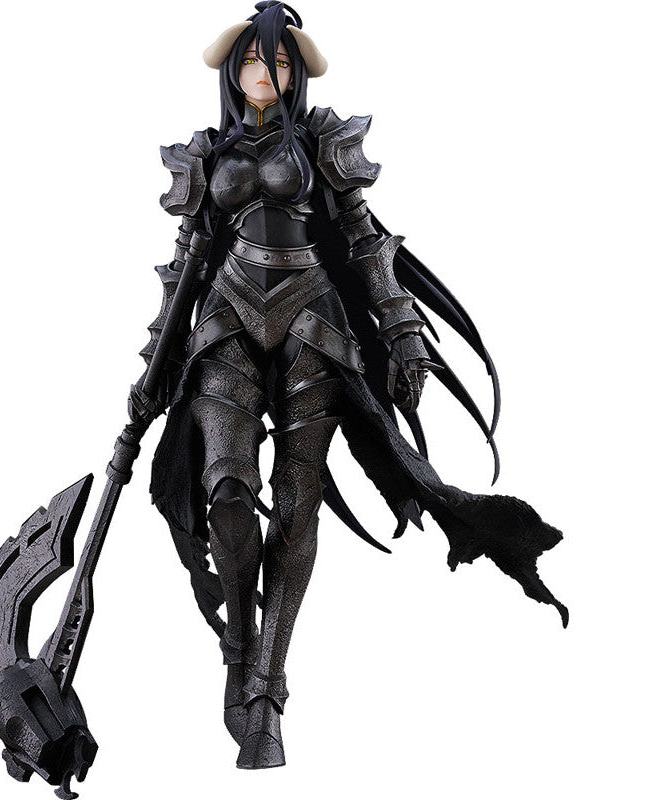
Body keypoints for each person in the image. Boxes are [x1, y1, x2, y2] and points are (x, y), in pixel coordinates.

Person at [128, 1, 566, 770]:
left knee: (297, 505)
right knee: (227, 493)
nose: (268, 71)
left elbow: (365, 240)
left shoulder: (324, 140)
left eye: (281, 60)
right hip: (226, 323)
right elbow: (185, 258)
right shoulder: (204, 152)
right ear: (235, 71)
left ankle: (266, 692)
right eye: (255, 59)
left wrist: (401, 334)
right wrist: (155, 364)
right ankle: (238, 645)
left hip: (312, 324)